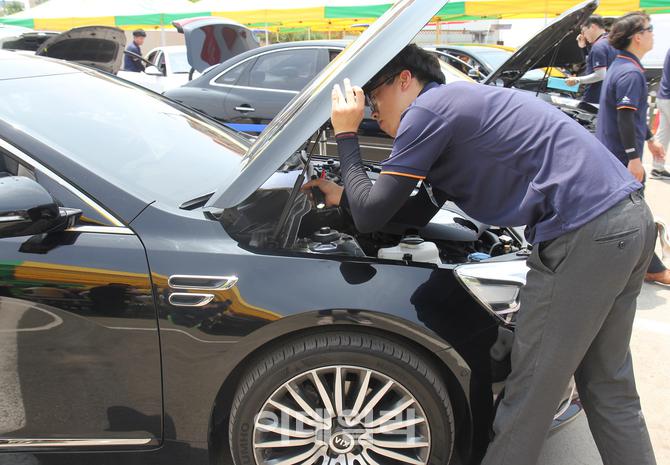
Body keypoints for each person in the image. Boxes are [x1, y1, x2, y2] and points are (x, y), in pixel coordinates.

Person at [304, 44, 657, 465]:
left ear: (405, 80)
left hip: (587, 234)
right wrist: (341, 196)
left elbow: (370, 215)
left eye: (373, 96)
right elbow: (407, 212)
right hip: (628, 223)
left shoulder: (429, 110)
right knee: (607, 385)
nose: (371, 112)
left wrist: (345, 134)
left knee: (530, 392)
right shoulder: (453, 109)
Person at [596, 11, 670, 285]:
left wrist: (650, 139)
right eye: (650, 29)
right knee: (636, 214)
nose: (653, 34)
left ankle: (641, 264)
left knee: (624, 213)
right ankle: (651, 267)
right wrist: (634, 158)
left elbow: (633, 114)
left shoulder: (622, 65)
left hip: (615, 155)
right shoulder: (630, 72)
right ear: (637, 37)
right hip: (621, 157)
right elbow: (625, 116)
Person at [565, 15, 617, 104]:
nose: (582, 35)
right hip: (609, 95)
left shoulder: (598, 46)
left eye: (584, 31)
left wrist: (577, 80)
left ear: (592, 27)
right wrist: (584, 47)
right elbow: (597, 62)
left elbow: (601, 75)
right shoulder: (610, 41)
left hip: (595, 97)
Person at [652, 47, 670, 179]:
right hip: (668, 98)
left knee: (663, 133)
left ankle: (657, 168)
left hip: (663, 96)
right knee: (664, 132)